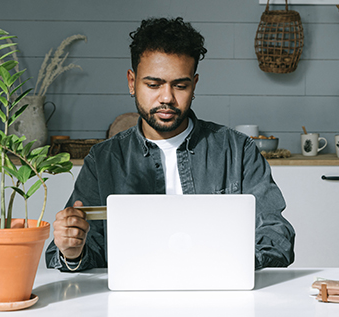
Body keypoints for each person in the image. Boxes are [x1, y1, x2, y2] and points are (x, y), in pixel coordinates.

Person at [45, 17, 295, 272]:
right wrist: (73, 251)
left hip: (219, 295)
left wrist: (229, 265)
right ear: (132, 82)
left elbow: (276, 235)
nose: (167, 97)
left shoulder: (237, 150)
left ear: (194, 85)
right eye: (153, 84)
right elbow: (77, 250)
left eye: (180, 85)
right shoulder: (104, 159)